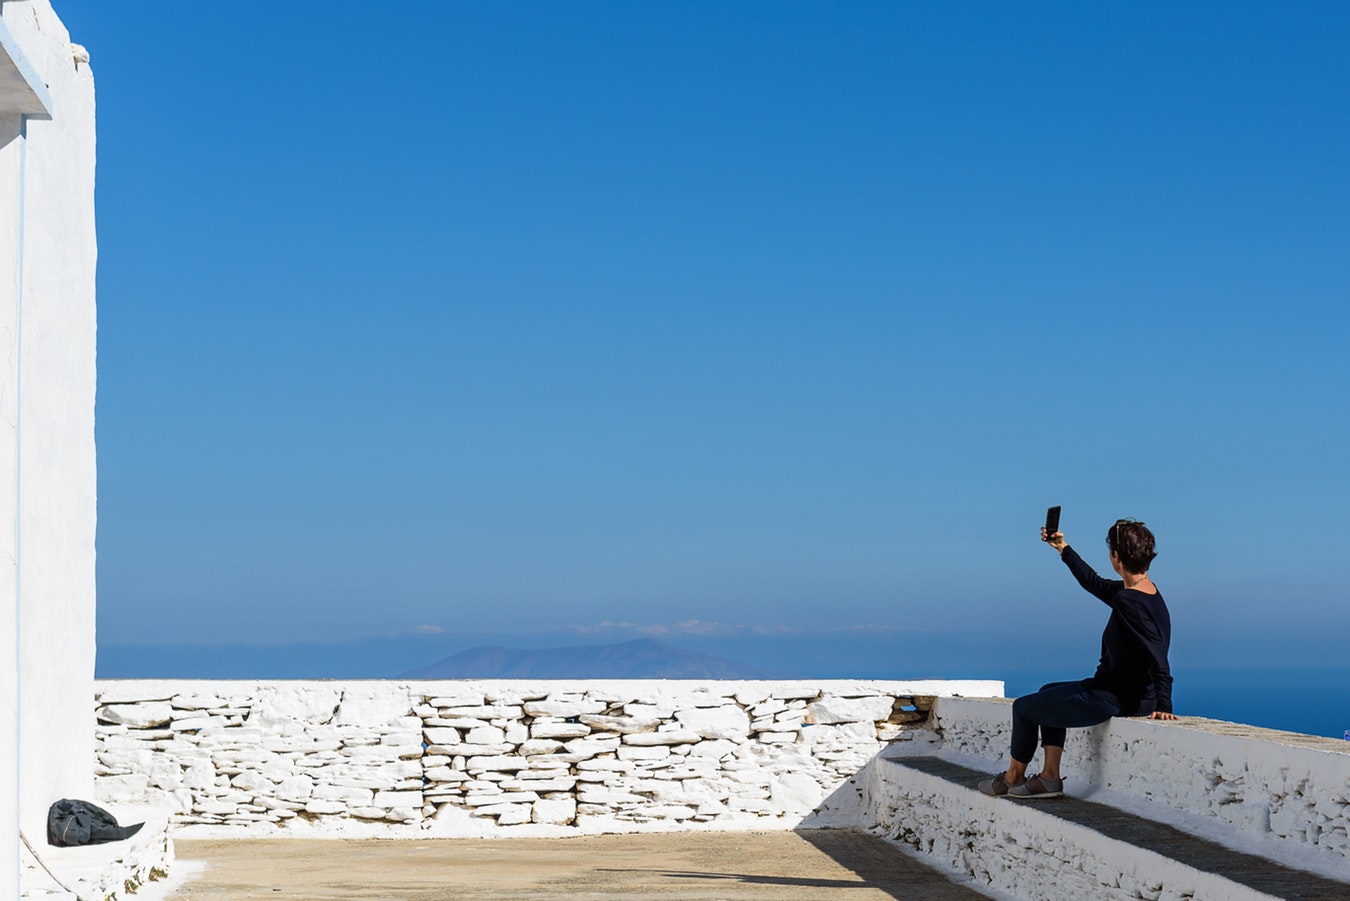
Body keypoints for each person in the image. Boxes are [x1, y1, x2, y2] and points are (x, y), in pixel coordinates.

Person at [978, 518, 1176, 799]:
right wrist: (1062, 548)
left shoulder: (1128, 601)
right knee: (1048, 692)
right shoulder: (1145, 593)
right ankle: (1049, 777)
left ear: (1116, 557)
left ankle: (1012, 778)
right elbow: (1092, 582)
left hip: (1112, 698)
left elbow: (1157, 653)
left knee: (1023, 708)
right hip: (1119, 691)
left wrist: (1164, 703)